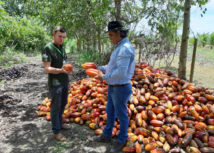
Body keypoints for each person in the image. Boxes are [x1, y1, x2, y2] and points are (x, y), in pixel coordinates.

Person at [93, 21, 135, 152]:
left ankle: (122, 139)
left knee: (121, 115)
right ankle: (107, 135)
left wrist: (103, 77)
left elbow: (121, 72)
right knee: (110, 112)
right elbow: (112, 67)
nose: (110, 38)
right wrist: (97, 68)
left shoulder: (125, 48)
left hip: (121, 87)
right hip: (114, 87)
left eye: (111, 35)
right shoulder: (119, 47)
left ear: (118, 33)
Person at [42, 26, 72, 141]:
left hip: (64, 81)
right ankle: (56, 131)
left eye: (64, 37)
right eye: (60, 36)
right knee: (55, 107)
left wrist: (68, 80)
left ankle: (59, 124)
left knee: (63, 104)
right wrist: (60, 70)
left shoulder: (62, 47)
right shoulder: (48, 48)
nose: (62, 39)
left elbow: (64, 64)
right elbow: (47, 68)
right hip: (55, 83)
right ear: (54, 34)